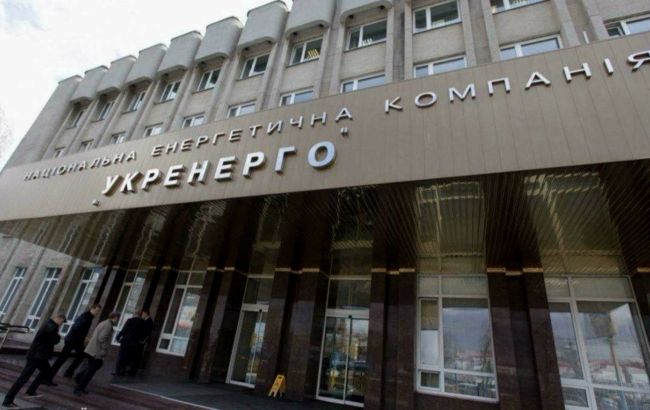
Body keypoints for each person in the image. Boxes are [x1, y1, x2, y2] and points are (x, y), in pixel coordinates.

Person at [2, 313, 66, 408]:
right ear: (58, 318)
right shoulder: (52, 327)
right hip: (36, 356)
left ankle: (31, 391)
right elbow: (55, 340)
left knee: (46, 371)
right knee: (23, 378)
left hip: (39, 356)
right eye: (62, 321)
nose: (61, 323)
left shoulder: (49, 324)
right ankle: (8, 400)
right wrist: (58, 336)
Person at [48, 304, 101, 381]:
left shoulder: (88, 317)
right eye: (96, 310)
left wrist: (84, 337)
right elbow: (76, 328)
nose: (97, 313)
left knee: (79, 355)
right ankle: (49, 376)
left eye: (98, 311)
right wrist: (84, 337)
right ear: (92, 309)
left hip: (75, 341)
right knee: (62, 358)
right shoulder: (86, 317)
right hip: (72, 340)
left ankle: (68, 372)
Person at [73, 312, 118, 396]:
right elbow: (102, 338)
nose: (117, 321)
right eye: (117, 319)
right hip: (96, 351)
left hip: (92, 349)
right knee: (91, 370)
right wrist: (105, 347)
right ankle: (79, 388)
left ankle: (79, 377)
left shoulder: (103, 322)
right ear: (115, 318)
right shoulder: (108, 325)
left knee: (97, 365)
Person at [114, 309, 152, 376]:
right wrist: (141, 340)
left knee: (121, 356)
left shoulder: (130, 320)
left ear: (135, 314)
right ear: (140, 315)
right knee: (129, 357)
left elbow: (124, 330)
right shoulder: (143, 322)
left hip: (126, 342)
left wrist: (118, 337)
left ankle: (118, 371)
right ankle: (125, 370)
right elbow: (144, 333)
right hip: (135, 343)